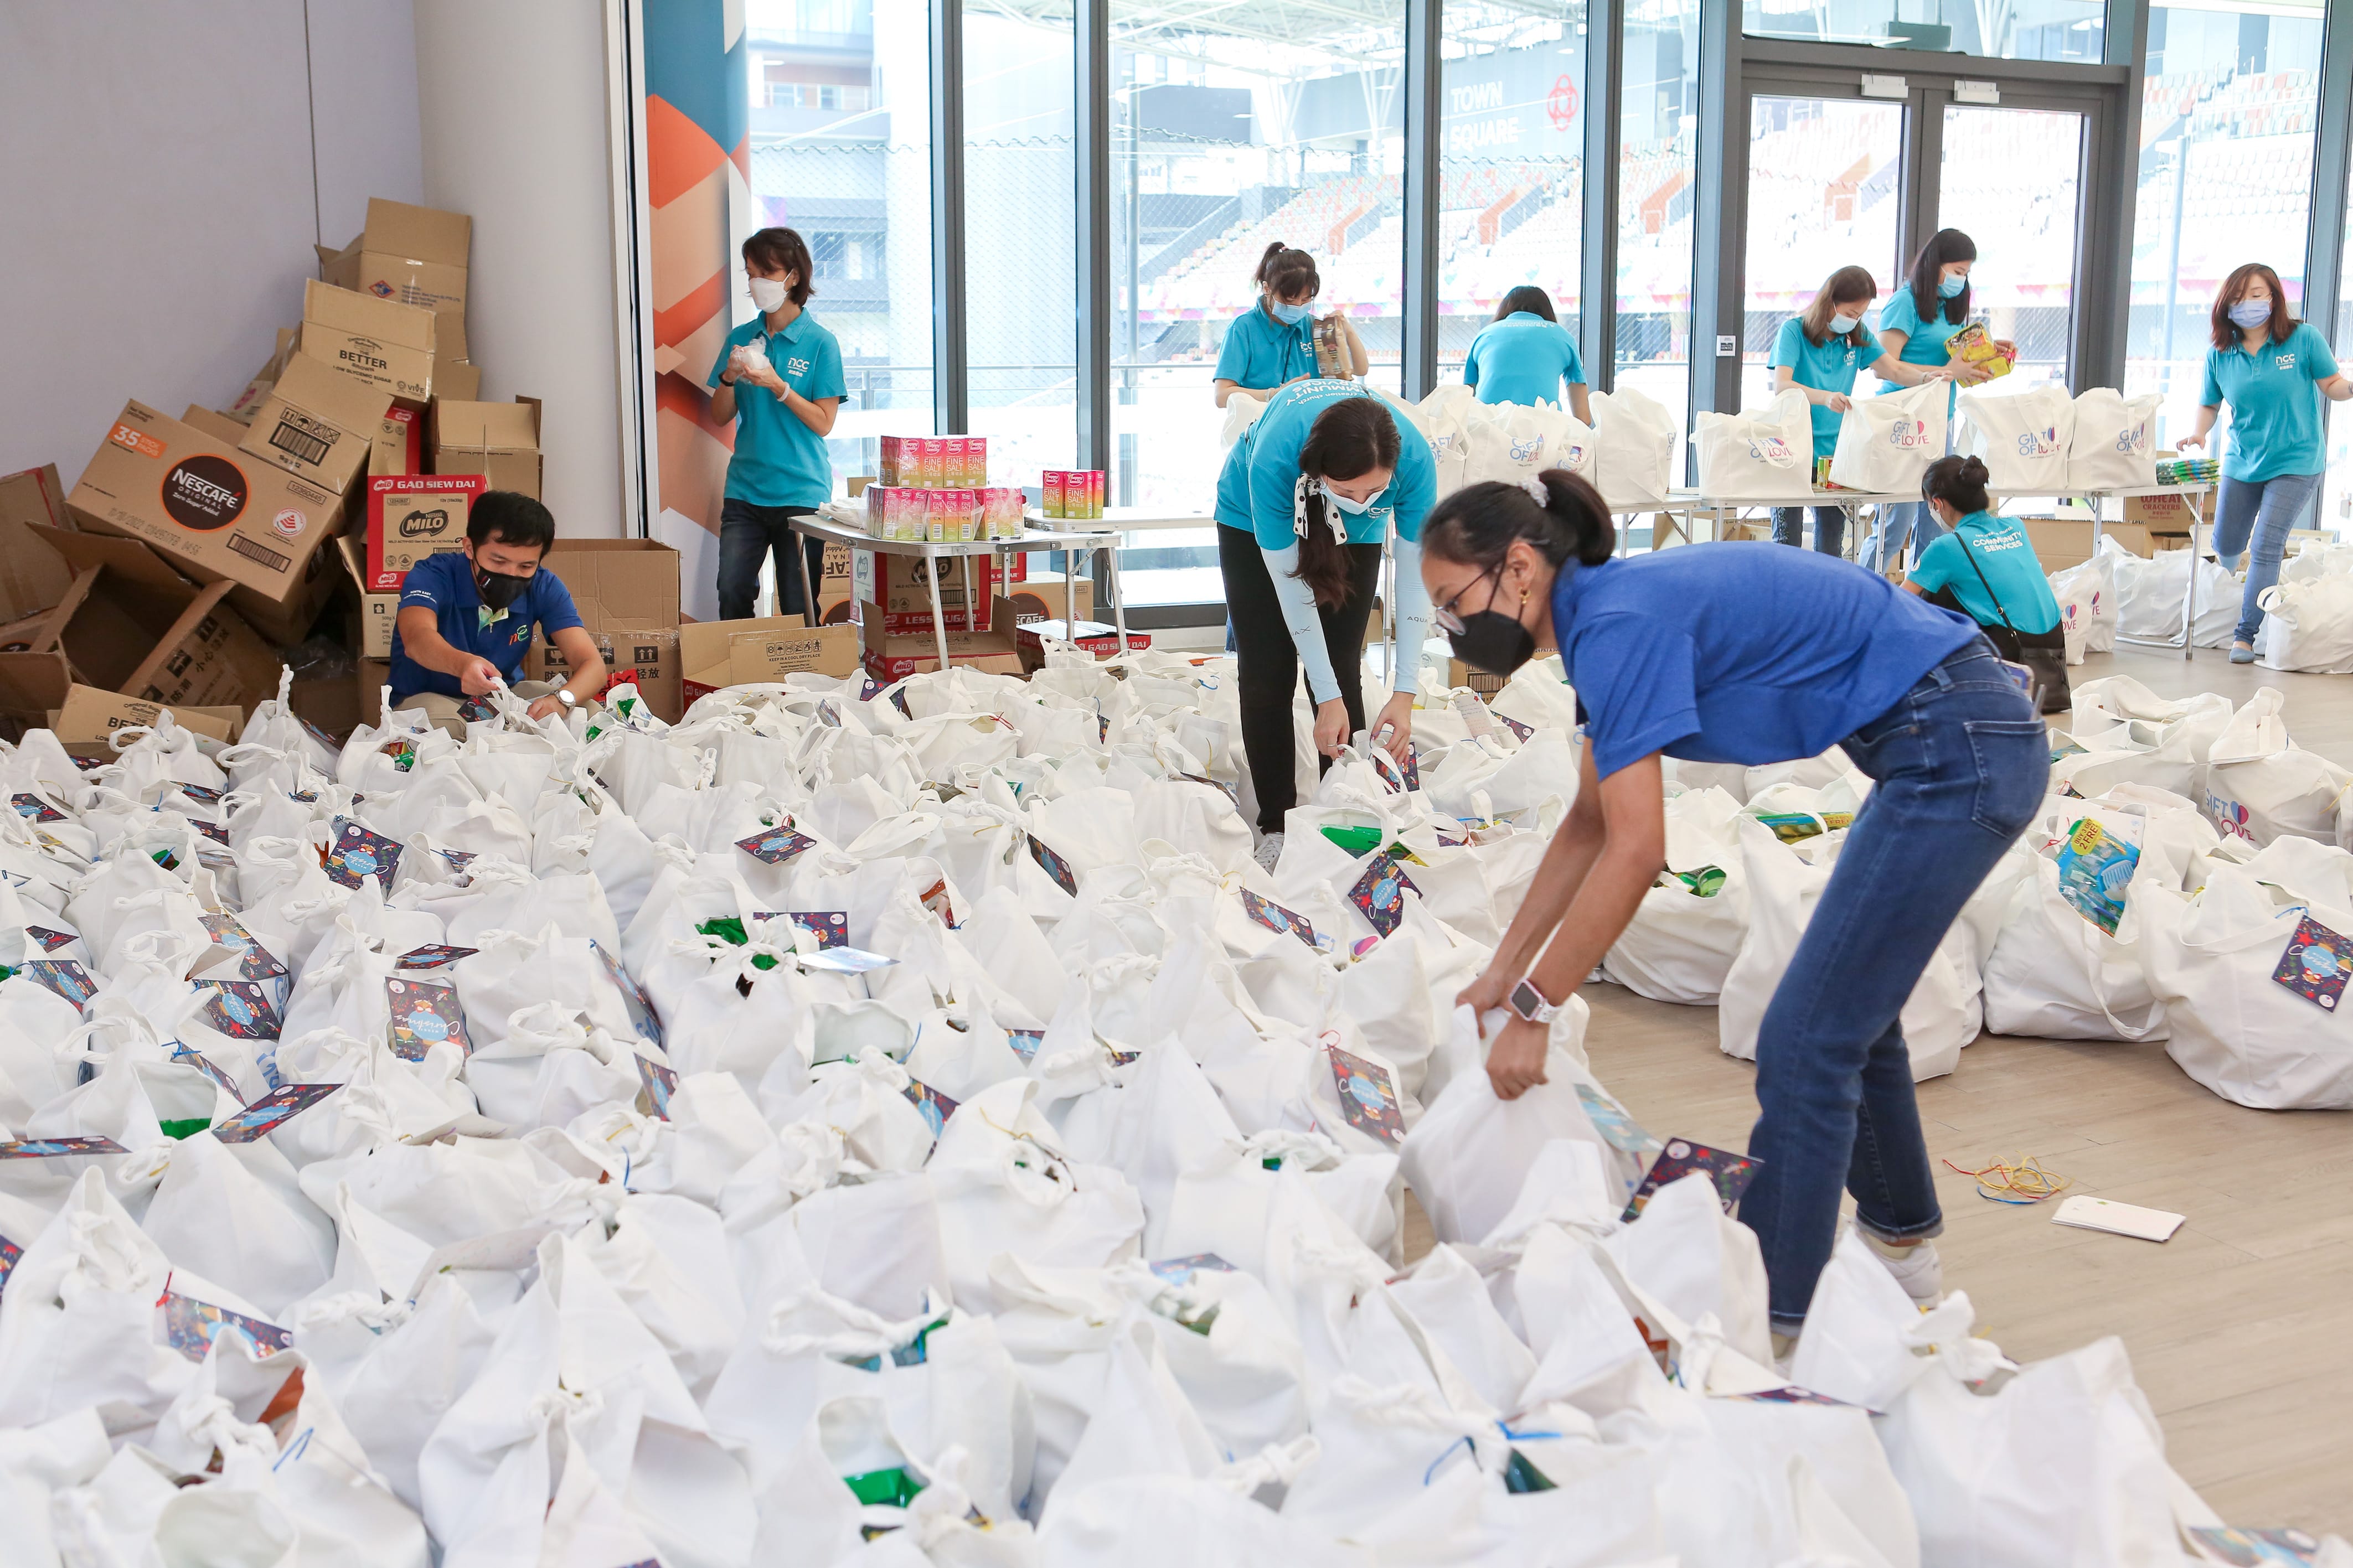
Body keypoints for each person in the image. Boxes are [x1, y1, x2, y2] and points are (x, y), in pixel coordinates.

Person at [1422, 469, 2045, 1344]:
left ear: (1518, 568)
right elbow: (1586, 824)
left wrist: (1535, 1009)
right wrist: (1502, 971)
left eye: (1454, 602)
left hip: (1958, 746)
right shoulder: (1608, 613)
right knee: (1845, 1012)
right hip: (1941, 739)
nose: (1452, 629)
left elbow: (1638, 853)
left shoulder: (1615, 623)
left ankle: (1769, 1325)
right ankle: (1900, 1252)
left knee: (1804, 1037)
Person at [1216, 378, 1436, 867]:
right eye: (1347, 490)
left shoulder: (1415, 459)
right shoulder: (1276, 458)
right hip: (1252, 519)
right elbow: (1294, 598)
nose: (1360, 498)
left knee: (1343, 665)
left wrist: (1405, 694)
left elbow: (1417, 581)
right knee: (1267, 669)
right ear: (1319, 472)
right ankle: (1275, 824)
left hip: (1352, 537)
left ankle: (1346, 813)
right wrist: (1325, 696)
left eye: (1375, 488)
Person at [2179, 261, 2353, 663]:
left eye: (2258, 295)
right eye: (2240, 297)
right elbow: (2209, 403)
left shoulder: (2303, 339)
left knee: (2266, 544)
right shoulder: (2220, 355)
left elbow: (2332, 385)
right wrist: (2199, 432)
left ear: (2274, 298)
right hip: (2243, 461)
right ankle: (2242, 588)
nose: (2249, 304)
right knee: (2226, 542)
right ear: (2227, 305)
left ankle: (2246, 634)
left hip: (2297, 460)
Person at [1769, 265, 1958, 557]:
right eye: (1850, 313)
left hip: (1836, 456)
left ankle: (1828, 603)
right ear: (1829, 302)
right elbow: (1783, 384)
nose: (1854, 320)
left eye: (1860, 315)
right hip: (1792, 450)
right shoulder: (1794, 332)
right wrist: (1825, 397)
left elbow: (1892, 368)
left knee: (1830, 548)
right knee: (1787, 544)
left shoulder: (1856, 335)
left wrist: (1925, 378)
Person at [709, 226, 847, 622]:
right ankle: (744, 682)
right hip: (745, 491)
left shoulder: (821, 342)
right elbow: (719, 416)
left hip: (802, 493)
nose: (756, 284)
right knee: (732, 591)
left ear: (793, 277)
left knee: (798, 602)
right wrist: (730, 376)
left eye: (766, 273)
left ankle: (803, 682)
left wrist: (778, 386)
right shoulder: (742, 337)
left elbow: (824, 422)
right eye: (750, 273)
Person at [389, 491, 607, 733]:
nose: (512, 575)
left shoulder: (544, 586)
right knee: (446, 732)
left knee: (589, 714)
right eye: (498, 562)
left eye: (526, 566)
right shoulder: (432, 575)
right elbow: (417, 638)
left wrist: (562, 700)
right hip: (427, 698)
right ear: (469, 548)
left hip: (501, 698)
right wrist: (462, 665)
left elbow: (592, 664)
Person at [1863, 230, 2010, 572]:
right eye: (1957, 271)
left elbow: (1951, 361)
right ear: (1936, 266)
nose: (1961, 279)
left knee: (1936, 520)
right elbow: (1885, 368)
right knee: (1895, 523)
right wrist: (1948, 370)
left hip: (1938, 418)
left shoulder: (1949, 306)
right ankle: (1861, 594)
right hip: (1902, 419)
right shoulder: (1904, 302)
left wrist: (1983, 354)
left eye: (1966, 273)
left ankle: (1922, 598)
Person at [1212, 244, 1367, 410]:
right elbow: (1221, 396)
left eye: (1306, 299)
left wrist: (1347, 329)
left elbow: (1360, 369)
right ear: (1267, 288)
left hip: (1312, 423)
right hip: (1260, 423)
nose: (1298, 306)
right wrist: (1275, 394)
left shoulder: (1314, 327)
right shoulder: (1243, 329)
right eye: (1290, 300)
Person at [1462, 286, 1591, 422]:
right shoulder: (1562, 336)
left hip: (1489, 426)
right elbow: (1583, 418)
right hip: (1543, 429)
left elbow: (1466, 395)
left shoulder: (1484, 335)